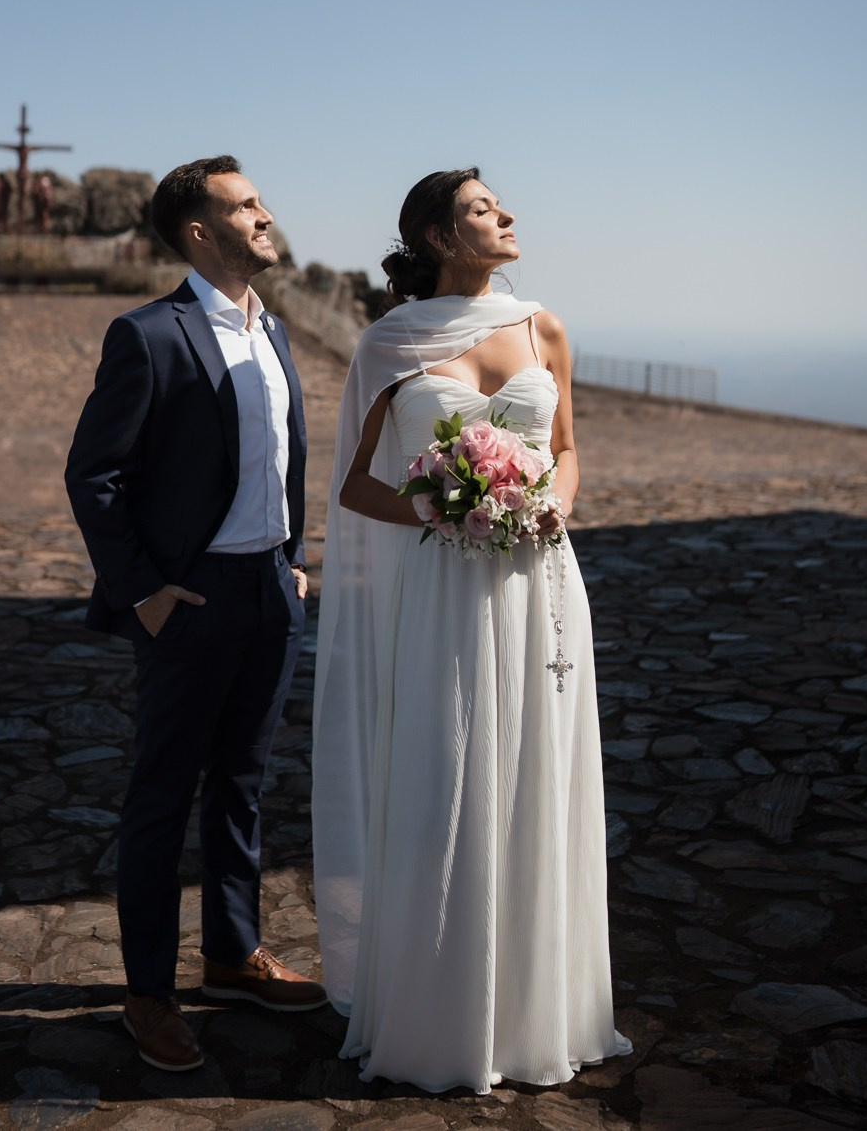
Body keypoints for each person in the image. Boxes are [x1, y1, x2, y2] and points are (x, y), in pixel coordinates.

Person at [312, 168, 631, 1095]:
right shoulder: (388, 343)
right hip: (443, 585)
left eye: (500, 206)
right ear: (438, 237)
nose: (508, 216)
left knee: (537, 772)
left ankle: (540, 1012)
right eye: (486, 209)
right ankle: (438, 1018)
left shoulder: (543, 326)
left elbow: (565, 450)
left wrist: (547, 510)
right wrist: (452, 511)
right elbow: (357, 485)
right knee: (446, 778)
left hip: (541, 581)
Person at [66, 155, 326, 1075]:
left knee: (243, 786)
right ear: (201, 233)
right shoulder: (149, 335)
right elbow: (92, 476)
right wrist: (144, 591)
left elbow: (275, 464)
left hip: (271, 595)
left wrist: (289, 561)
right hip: (191, 600)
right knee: (162, 797)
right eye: (246, 205)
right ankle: (148, 993)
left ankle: (231, 953)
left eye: (260, 200)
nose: (266, 215)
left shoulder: (279, 332)